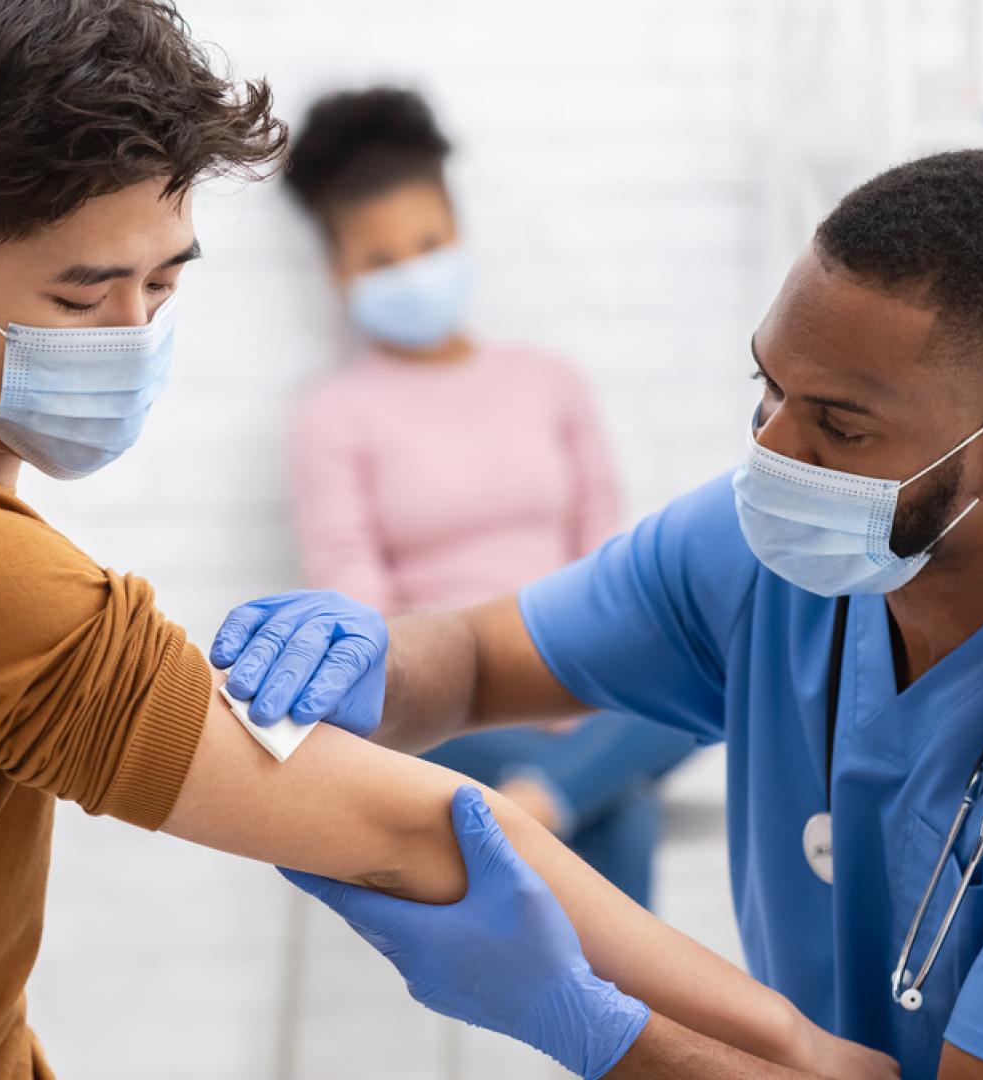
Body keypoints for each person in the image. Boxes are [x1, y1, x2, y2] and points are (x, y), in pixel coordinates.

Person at [0, 3, 895, 1078]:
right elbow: (422, 824)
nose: (136, 336)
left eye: (163, 281)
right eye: (85, 293)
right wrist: (785, 1051)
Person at [219, 150, 983, 1079]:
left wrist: (596, 1028)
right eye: (766, 388)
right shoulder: (766, 551)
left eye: (838, 427)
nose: (770, 450)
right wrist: (369, 663)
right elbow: (468, 662)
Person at [282, 86, 698, 905]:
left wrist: (572, 682)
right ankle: (575, 810)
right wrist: (493, 691)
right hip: (441, 709)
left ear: (460, 233)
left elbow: (606, 560)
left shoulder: (551, 382)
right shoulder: (332, 418)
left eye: (429, 243)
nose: (412, 271)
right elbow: (360, 610)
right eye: (381, 259)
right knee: (623, 807)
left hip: (579, 670)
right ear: (340, 272)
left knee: (706, 671)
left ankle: (537, 808)